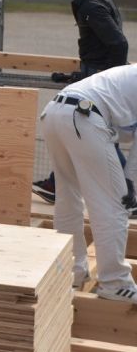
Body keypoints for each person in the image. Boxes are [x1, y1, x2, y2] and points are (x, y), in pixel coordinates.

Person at [32, 0, 131, 206]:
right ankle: (58, 183)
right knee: (79, 132)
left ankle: (128, 192)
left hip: (99, 78)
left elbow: (119, 44)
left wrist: (110, 81)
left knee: (90, 135)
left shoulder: (92, 6)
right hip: (94, 73)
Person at [38, 64, 137, 302]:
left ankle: (70, 273)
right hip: (83, 116)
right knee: (115, 204)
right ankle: (115, 283)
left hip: (54, 112)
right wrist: (131, 182)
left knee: (67, 198)